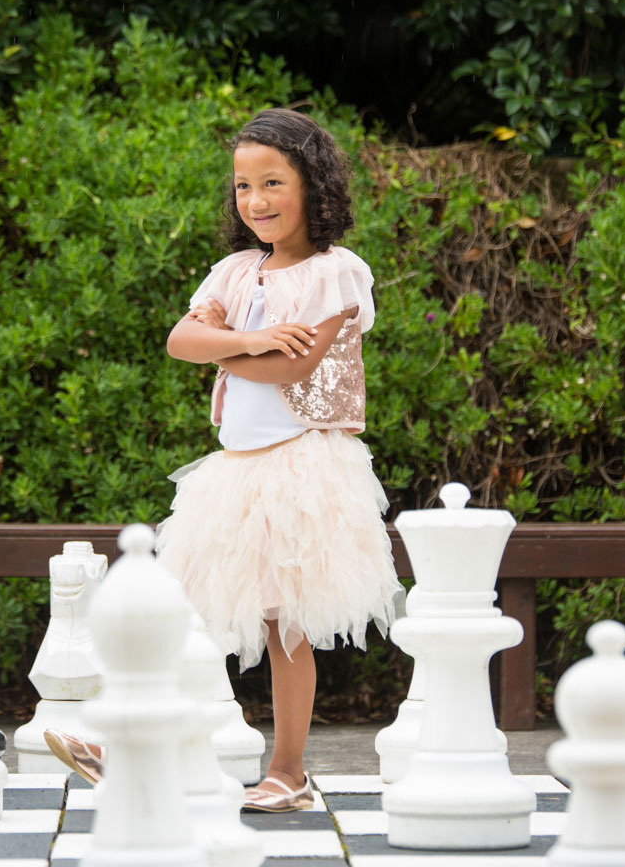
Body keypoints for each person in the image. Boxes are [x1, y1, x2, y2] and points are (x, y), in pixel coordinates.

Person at [47, 108, 401, 812]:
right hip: (234, 471)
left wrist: (235, 343)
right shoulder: (237, 270)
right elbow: (182, 340)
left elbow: (289, 374)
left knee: (285, 626)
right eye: (243, 186)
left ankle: (290, 772)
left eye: (273, 182)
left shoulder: (337, 274)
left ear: (315, 186)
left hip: (304, 468)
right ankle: (128, 749)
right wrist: (254, 339)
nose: (257, 200)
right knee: (176, 605)